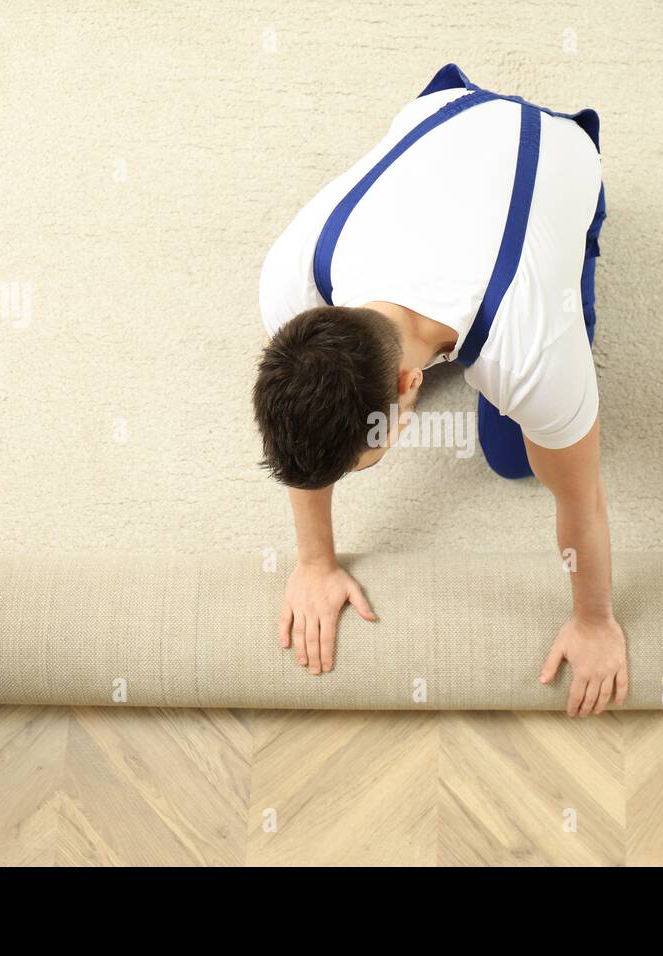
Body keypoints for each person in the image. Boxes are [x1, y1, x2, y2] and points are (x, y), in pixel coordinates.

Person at [253, 64, 625, 716]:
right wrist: (314, 561)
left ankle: (579, 223)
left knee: (515, 457)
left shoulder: (532, 348)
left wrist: (594, 623)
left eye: (369, 453)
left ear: (407, 386)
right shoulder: (293, 280)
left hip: (555, 149)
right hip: (445, 110)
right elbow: (304, 428)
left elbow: (584, 497)